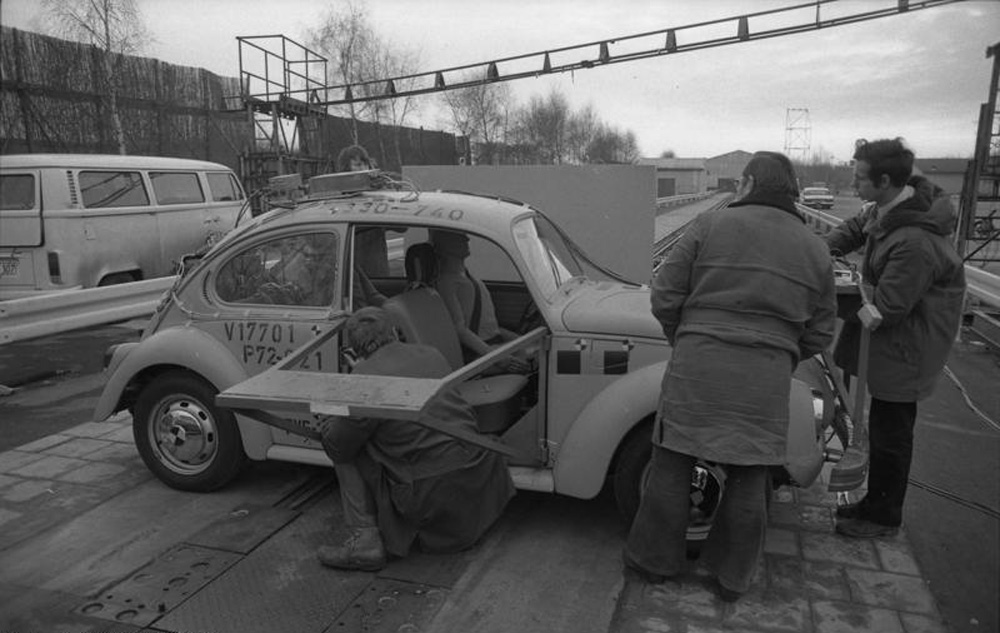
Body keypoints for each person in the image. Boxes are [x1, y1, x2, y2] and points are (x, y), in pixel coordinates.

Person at [623, 151, 837, 601]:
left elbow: (664, 296)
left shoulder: (708, 226)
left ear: (749, 183)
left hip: (698, 365)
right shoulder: (816, 248)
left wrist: (685, 337)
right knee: (750, 472)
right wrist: (781, 352)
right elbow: (821, 330)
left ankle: (654, 563)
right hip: (765, 379)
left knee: (673, 461)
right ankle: (730, 577)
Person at [824, 138, 965, 539]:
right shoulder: (891, 210)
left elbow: (885, 309)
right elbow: (856, 227)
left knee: (891, 433)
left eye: (859, 177)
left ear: (885, 180)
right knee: (885, 426)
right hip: (898, 341)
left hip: (908, 346)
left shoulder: (915, 242)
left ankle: (883, 515)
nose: (853, 183)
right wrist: (820, 252)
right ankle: (875, 503)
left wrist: (823, 295)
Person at [317, 307, 516, 570]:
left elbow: (338, 447)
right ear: (395, 333)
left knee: (345, 446)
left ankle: (365, 542)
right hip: (478, 475)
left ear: (353, 350)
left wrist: (331, 412)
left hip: (433, 494)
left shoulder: (364, 378)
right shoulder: (431, 353)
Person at [429, 229, 531, 373]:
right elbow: (459, 329)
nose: (467, 239)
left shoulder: (465, 275)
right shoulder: (447, 282)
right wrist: (495, 356)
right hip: (479, 352)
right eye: (459, 236)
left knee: (535, 349)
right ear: (442, 244)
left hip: (493, 341)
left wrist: (519, 340)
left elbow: (486, 322)